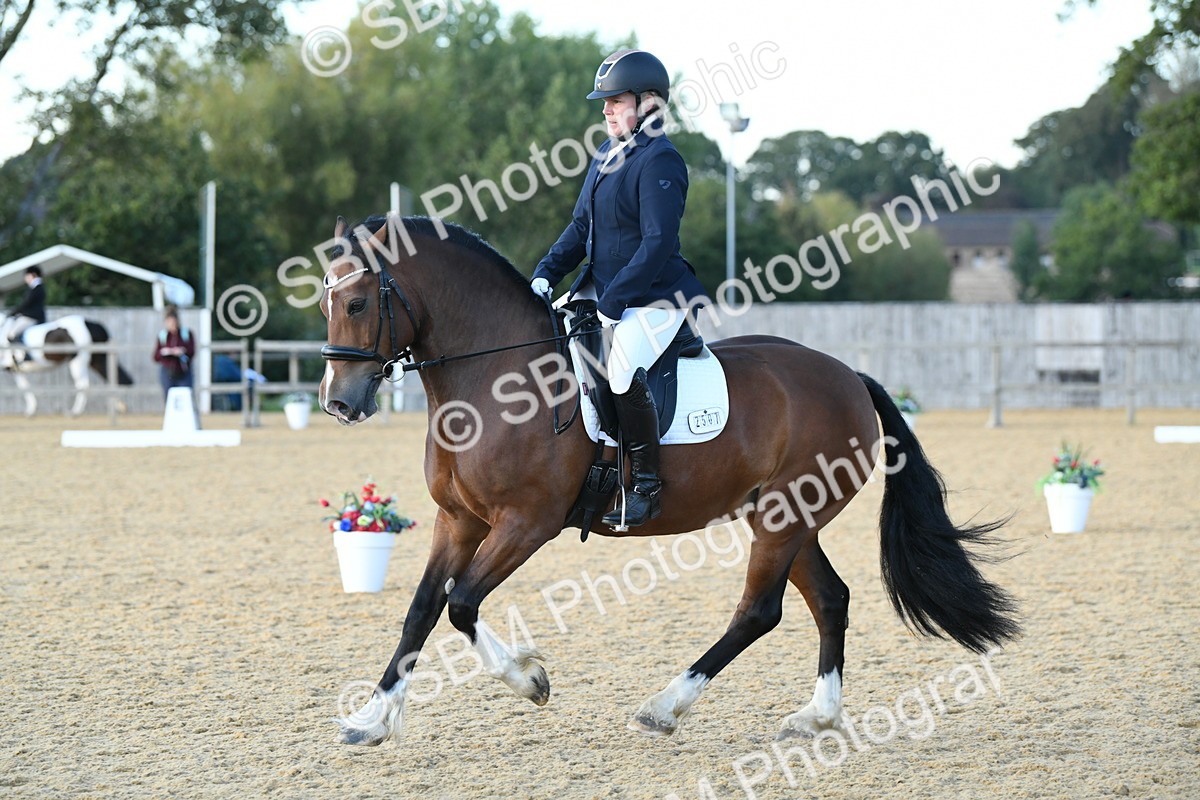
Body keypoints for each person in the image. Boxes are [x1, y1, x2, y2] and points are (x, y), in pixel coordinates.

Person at [530, 49, 710, 529]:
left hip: (657, 297)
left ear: (648, 101)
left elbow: (657, 243)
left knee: (622, 369)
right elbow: (580, 226)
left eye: (615, 100)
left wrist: (613, 304)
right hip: (605, 290)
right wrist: (546, 272)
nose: (606, 109)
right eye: (604, 101)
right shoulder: (607, 154)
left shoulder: (661, 159)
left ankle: (646, 487)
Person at [1, 266, 47, 357]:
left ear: (33, 275)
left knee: (11, 334)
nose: (26, 279)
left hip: (31, 317)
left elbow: (26, 304)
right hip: (30, 316)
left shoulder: (37, 288)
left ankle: (24, 354)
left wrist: (13, 312)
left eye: (27, 276)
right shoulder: (36, 288)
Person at [153, 306, 195, 399]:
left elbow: (192, 351)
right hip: (167, 372)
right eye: (169, 322)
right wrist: (166, 352)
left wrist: (182, 351)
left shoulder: (186, 334)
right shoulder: (163, 336)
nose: (172, 325)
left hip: (183, 371)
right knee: (169, 399)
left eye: (173, 322)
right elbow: (155, 356)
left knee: (186, 398)